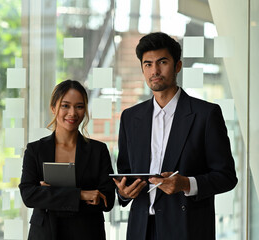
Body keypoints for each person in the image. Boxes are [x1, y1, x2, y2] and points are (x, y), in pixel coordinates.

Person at [113, 32, 237, 240]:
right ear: (142, 69)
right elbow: (125, 174)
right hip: (140, 230)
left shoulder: (206, 115)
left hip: (186, 229)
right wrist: (123, 193)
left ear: (177, 66)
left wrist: (186, 184)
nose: (155, 71)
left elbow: (226, 177)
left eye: (162, 62)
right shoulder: (130, 117)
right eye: (148, 64)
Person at [19, 79, 115, 240]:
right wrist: (81, 195)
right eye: (65, 106)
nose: (72, 113)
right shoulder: (35, 150)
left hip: (87, 232)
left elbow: (108, 200)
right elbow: (28, 195)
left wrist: (48, 192)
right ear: (53, 107)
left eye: (79, 106)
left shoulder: (98, 150)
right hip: (45, 233)